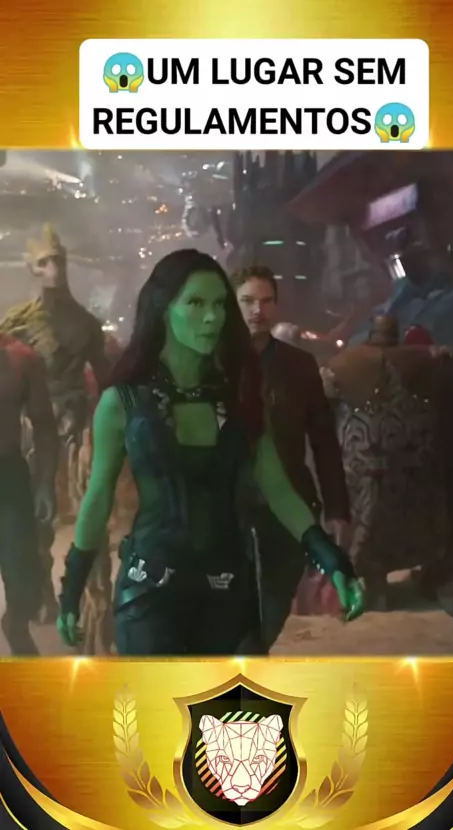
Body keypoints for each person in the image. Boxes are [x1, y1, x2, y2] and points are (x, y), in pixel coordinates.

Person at [57, 250, 363, 656]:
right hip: (149, 599)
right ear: (164, 308)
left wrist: (330, 557)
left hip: (228, 597)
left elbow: (278, 490)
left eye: (219, 304)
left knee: (232, 700)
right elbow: (97, 498)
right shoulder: (122, 402)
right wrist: (73, 586)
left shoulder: (238, 398)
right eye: (196, 303)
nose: (212, 317)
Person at [322, 313, 453, 608]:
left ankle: (376, 582)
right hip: (415, 468)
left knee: (366, 508)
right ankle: (423, 571)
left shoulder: (341, 365)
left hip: (364, 468)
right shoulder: (430, 362)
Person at [232, 265, 350, 645]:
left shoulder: (298, 366)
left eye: (266, 301)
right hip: (228, 507)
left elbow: (324, 441)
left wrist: (337, 509)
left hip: (289, 506)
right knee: (232, 615)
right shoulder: (212, 364)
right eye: (248, 301)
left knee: (272, 609)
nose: (258, 310)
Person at [0, 225, 109, 624]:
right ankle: (40, 594)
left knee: (89, 517)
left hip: (76, 424)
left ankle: (93, 601)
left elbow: (106, 382)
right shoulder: (17, 324)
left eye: (58, 260)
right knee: (32, 519)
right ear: (32, 268)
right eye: (45, 262)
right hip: (31, 428)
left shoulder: (87, 325)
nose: (54, 269)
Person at [0, 334, 57, 654]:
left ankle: (16, 625)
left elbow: (45, 425)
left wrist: (46, 482)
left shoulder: (21, 359)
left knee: (26, 585)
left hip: (8, 476)